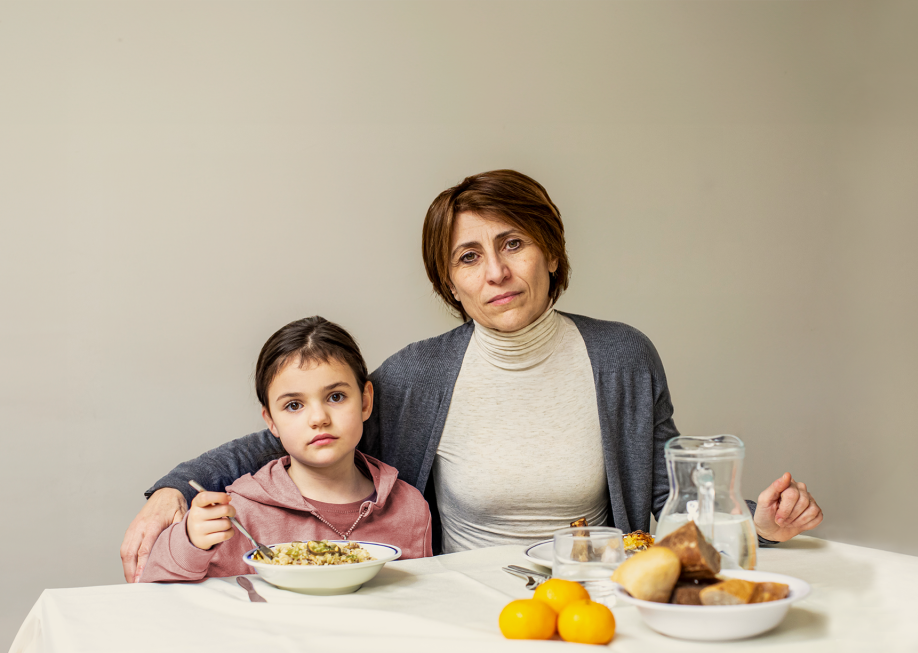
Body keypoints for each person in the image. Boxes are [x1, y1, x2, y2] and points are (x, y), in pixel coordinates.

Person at [122, 169, 822, 582]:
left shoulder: (622, 357)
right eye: (468, 257)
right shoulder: (420, 374)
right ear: (448, 280)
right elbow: (288, 436)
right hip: (458, 605)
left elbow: (674, 493)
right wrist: (173, 488)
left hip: (596, 598)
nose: (495, 272)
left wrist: (756, 521)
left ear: (549, 248)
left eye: (512, 243)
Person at [139, 316, 432, 583]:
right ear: (271, 422)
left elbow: (421, 595)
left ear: (366, 402)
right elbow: (155, 585)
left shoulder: (409, 507)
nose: (319, 418)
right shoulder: (239, 513)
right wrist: (189, 539)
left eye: (336, 396)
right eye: (294, 405)